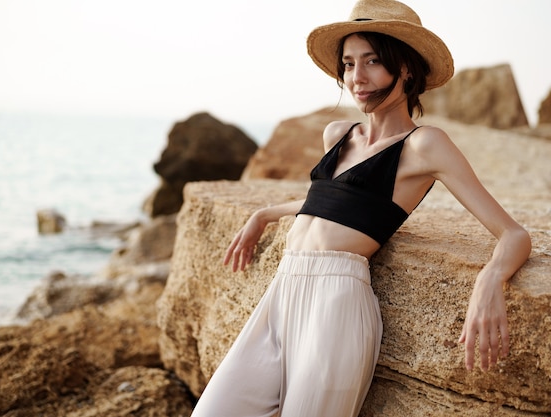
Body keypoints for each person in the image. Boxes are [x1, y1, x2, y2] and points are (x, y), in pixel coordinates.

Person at [191, 0, 532, 416]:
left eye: (372, 61)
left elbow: (513, 234)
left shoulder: (425, 145)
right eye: (349, 64)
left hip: (337, 304)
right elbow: (334, 204)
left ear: (405, 68)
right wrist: (265, 214)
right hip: (282, 291)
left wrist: (490, 280)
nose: (357, 77)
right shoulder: (337, 133)